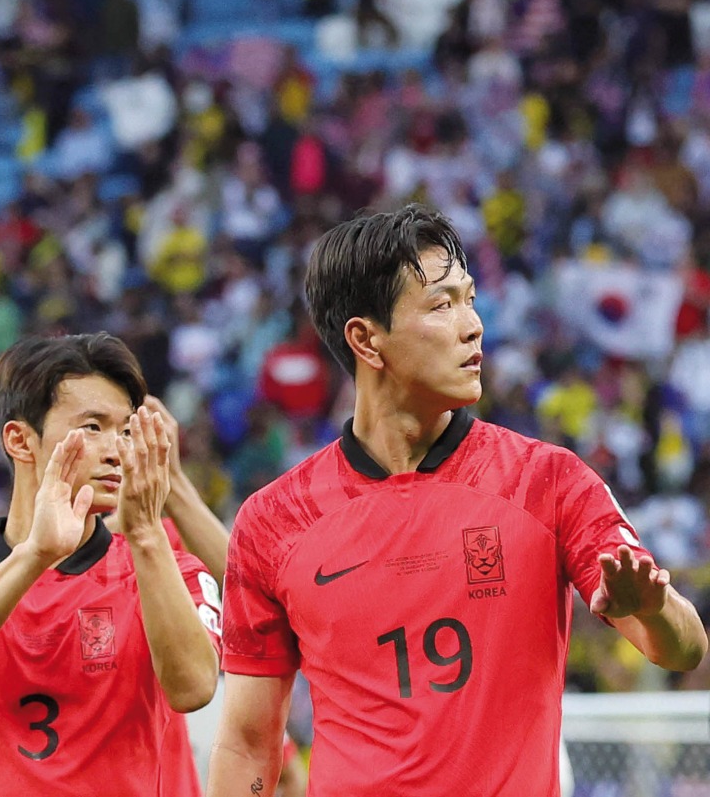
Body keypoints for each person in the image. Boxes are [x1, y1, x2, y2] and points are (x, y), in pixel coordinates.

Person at [207, 204, 707, 797]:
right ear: (367, 340)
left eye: (469, 299)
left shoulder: (548, 482)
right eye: (443, 305)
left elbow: (683, 648)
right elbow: (246, 743)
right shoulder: (274, 521)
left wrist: (651, 608)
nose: (473, 325)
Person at [0, 333, 221, 796]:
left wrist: (145, 533)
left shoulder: (172, 571)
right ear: (21, 441)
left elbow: (195, 688)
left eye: (125, 431)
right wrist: (34, 555)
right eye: (92, 427)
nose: (115, 450)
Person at [106, 393, 229, 796]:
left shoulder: (159, 546)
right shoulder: (28, 557)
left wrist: (172, 481)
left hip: (170, 735)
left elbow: (249, 590)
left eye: (126, 431)